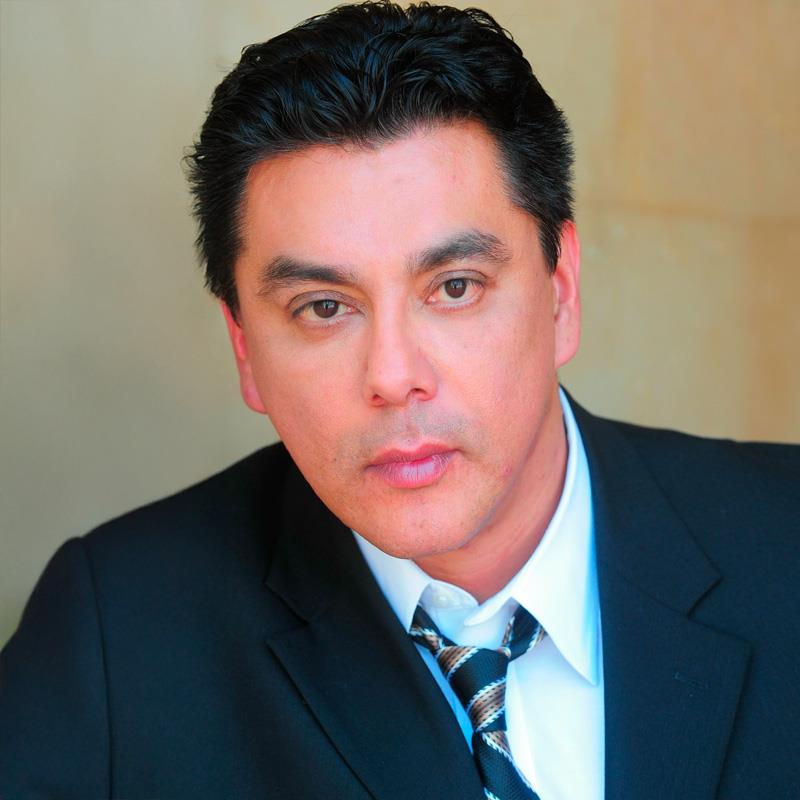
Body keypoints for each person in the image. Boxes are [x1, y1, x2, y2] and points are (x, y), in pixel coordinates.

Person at [1, 2, 797, 798]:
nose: (392, 374)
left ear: (561, 291)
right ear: (244, 346)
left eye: (455, 287)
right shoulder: (113, 639)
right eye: (324, 307)